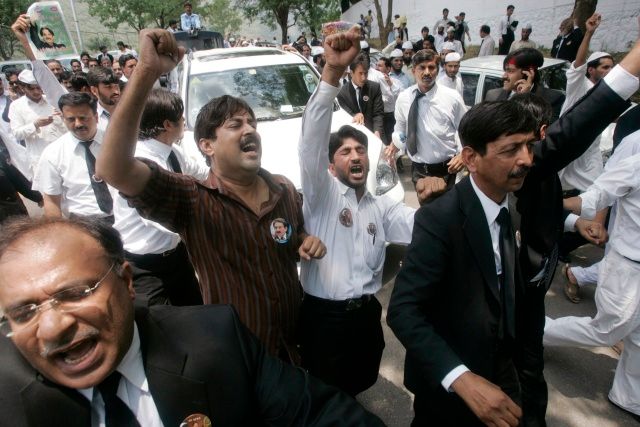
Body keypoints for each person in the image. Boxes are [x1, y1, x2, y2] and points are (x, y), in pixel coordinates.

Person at [387, 36, 640, 424]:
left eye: (529, 145)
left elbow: (571, 135)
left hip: (517, 354)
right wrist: (462, 379)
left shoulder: (521, 188)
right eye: (511, 150)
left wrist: (573, 221)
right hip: (454, 387)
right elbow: (404, 311)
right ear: (470, 158)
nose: (526, 160)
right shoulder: (441, 220)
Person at [0, 216, 384, 426]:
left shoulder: (215, 337)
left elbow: (320, 415)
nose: (52, 328)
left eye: (74, 293)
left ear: (127, 282)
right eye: (23, 312)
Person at [96, 28, 326, 361]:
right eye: (234, 125)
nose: (249, 129)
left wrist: (306, 240)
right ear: (207, 145)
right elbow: (114, 168)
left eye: (251, 123)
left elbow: (289, 238)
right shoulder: (193, 201)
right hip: (239, 358)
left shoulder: (284, 189)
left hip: (293, 348)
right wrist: (146, 72)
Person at [298, 26, 415, 396]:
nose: (355, 155)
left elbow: (423, 226)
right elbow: (311, 140)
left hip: (365, 316)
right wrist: (331, 72)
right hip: (324, 320)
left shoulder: (381, 206)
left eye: (360, 150)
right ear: (331, 167)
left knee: (359, 384)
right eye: (345, 151)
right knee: (325, 398)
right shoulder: (322, 195)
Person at [112, 88, 206, 307]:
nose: (184, 121)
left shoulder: (172, 152)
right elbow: (158, 217)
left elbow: (200, 173)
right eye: (181, 117)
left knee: (194, 311)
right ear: (167, 124)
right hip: (145, 265)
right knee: (158, 324)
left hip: (176, 256)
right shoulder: (139, 163)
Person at [386, 49, 467, 200]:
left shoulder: (452, 98)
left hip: (447, 171)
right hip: (419, 172)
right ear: (413, 71)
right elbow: (400, 128)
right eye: (422, 68)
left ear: (438, 70)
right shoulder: (404, 98)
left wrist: (463, 154)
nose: (427, 72)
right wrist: (394, 145)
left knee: (449, 217)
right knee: (427, 217)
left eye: (431, 67)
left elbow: (465, 129)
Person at [32, 92, 114, 224]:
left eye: (83, 118)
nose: (78, 124)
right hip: (84, 224)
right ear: (64, 119)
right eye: (71, 119)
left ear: (96, 117)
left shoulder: (115, 143)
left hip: (124, 218)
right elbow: (51, 200)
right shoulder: (52, 154)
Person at [8, 69, 66, 179]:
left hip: (63, 154)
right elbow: (17, 134)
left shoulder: (52, 100)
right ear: (22, 88)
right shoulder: (16, 106)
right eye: (31, 88)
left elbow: (68, 128)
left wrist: (63, 117)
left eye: (38, 87)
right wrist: (35, 125)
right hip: (40, 157)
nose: (36, 92)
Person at [484, 48, 565, 123]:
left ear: (528, 73)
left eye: (510, 71)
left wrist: (524, 98)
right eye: (505, 70)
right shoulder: (493, 95)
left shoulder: (553, 99)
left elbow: (544, 133)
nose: (504, 76)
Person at [337, 54, 384, 140]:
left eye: (366, 73)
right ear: (351, 73)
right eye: (360, 73)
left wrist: (377, 131)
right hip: (354, 138)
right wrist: (354, 116)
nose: (363, 78)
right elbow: (345, 114)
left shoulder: (374, 88)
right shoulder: (342, 93)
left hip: (374, 135)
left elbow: (378, 114)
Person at [374, 56, 402, 145]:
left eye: (380, 66)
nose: (377, 68)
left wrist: (390, 84)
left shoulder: (395, 82)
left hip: (390, 117)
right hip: (377, 117)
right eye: (376, 65)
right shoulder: (373, 81)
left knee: (392, 142)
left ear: (388, 69)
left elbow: (399, 96)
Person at [87, 67, 121, 132]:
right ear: (94, 90)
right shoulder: (91, 118)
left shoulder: (131, 108)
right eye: (109, 87)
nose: (116, 92)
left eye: (116, 86)